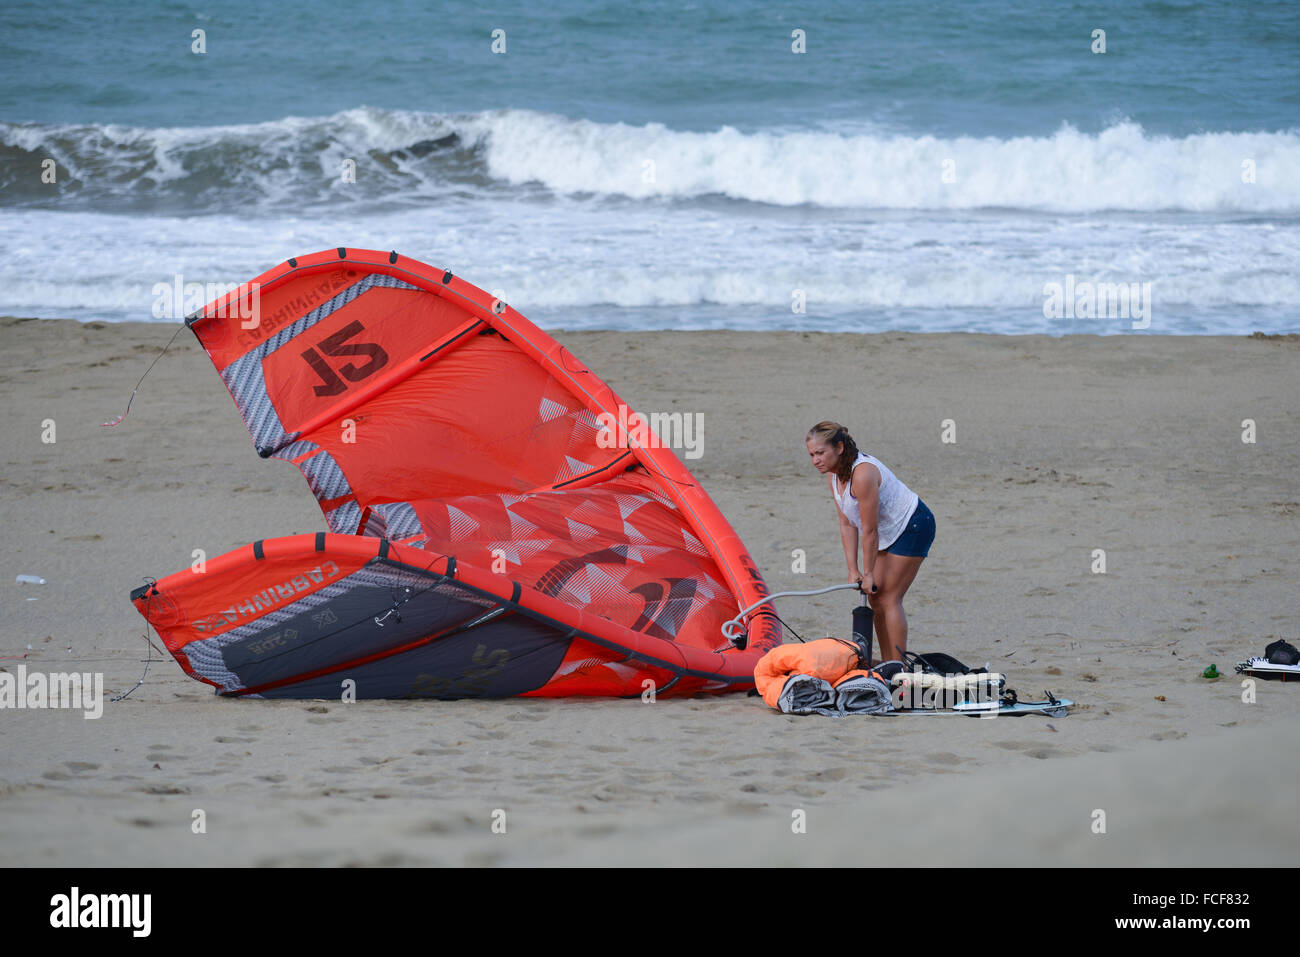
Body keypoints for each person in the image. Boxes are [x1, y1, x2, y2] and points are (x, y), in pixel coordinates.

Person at [805, 421, 935, 663]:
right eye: (812, 454)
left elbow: (870, 530)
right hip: (884, 531)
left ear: (840, 447)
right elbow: (847, 524)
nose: (815, 460)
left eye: (821, 453)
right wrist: (853, 570)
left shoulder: (863, 474)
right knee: (874, 598)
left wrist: (868, 572)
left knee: (888, 597)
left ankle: (898, 669)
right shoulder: (833, 477)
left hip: (913, 524)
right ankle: (887, 663)